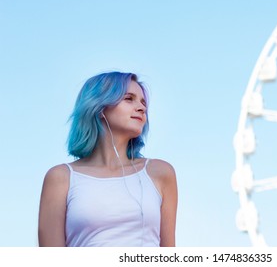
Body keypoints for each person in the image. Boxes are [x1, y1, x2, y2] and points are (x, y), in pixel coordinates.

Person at [38, 72, 177, 247]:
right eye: (129, 99)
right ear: (100, 107)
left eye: (143, 102)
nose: (142, 108)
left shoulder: (160, 173)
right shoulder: (60, 177)